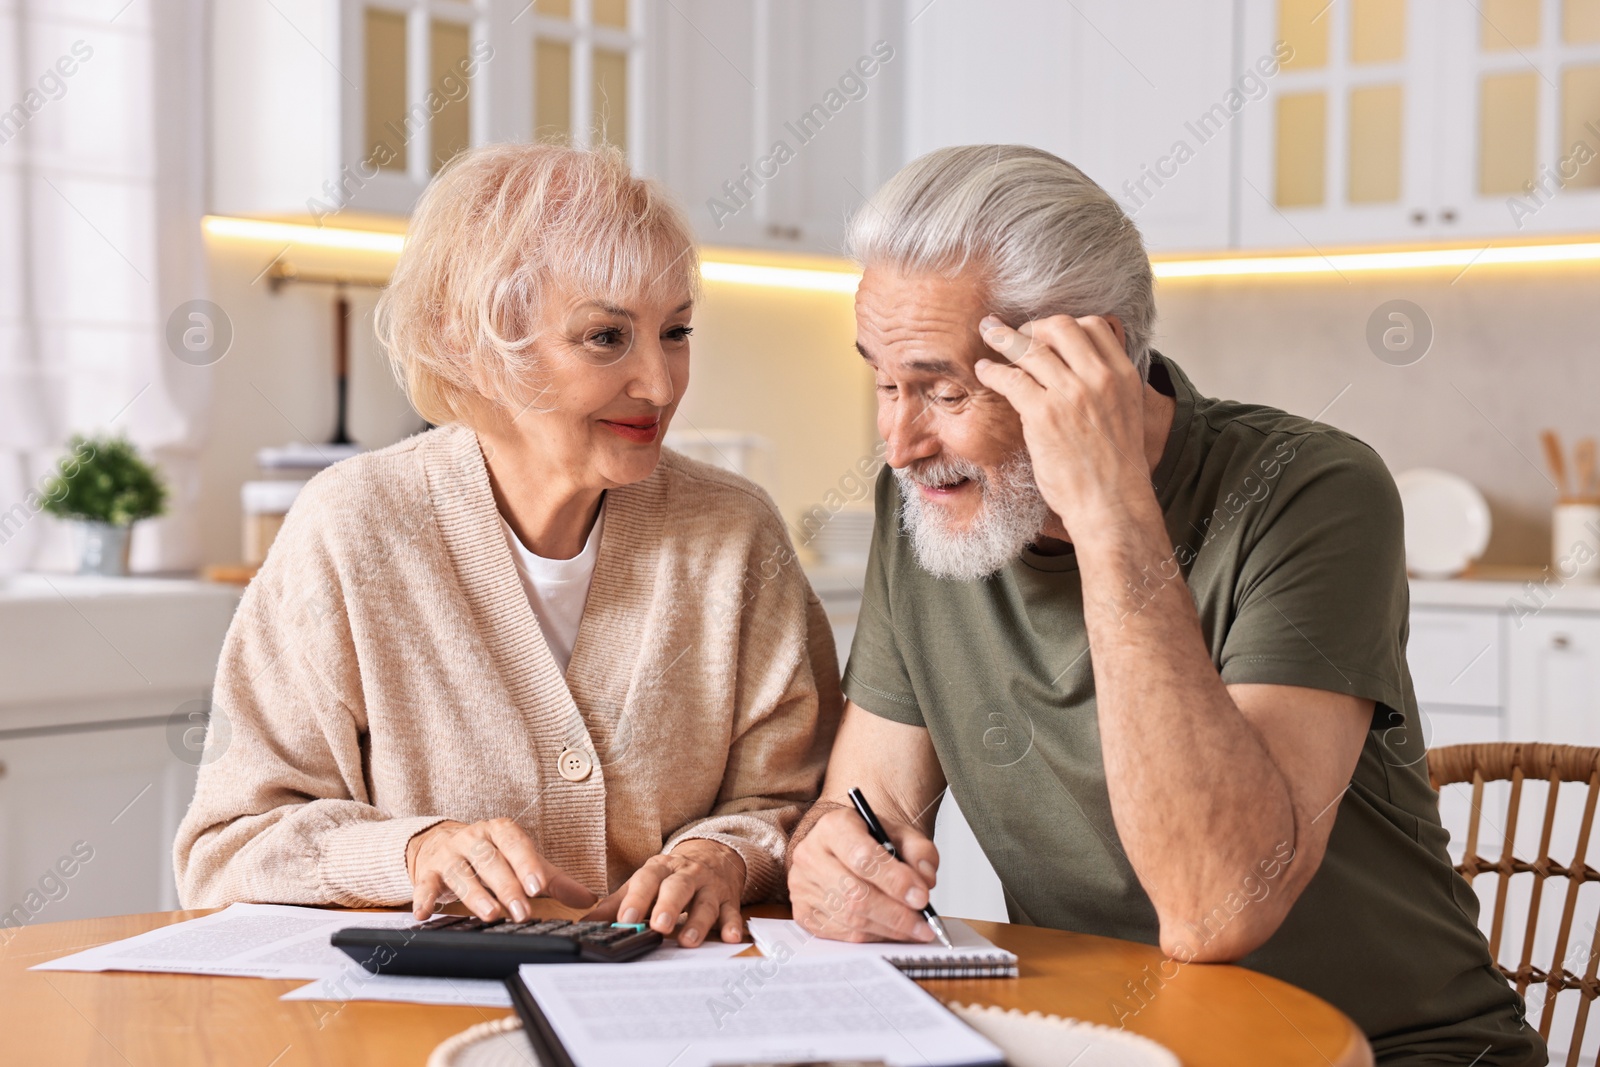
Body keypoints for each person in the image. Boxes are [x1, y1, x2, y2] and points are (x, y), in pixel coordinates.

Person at [786, 144, 1544, 1064]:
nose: (898, 442)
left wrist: (1110, 513)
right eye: (882, 381)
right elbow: (862, 810)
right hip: (1109, 1042)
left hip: (1392, 1050)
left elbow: (1213, 906)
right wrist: (833, 864)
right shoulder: (927, 512)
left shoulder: (1311, 491)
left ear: (1084, 362)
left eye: (942, 389)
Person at [174, 143, 841, 950]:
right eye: (605, 337)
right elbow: (227, 846)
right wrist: (409, 850)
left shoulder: (735, 534)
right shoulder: (351, 528)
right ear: (471, 344)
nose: (660, 384)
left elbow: (806, 805)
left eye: (674, 332)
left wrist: (723, 855)